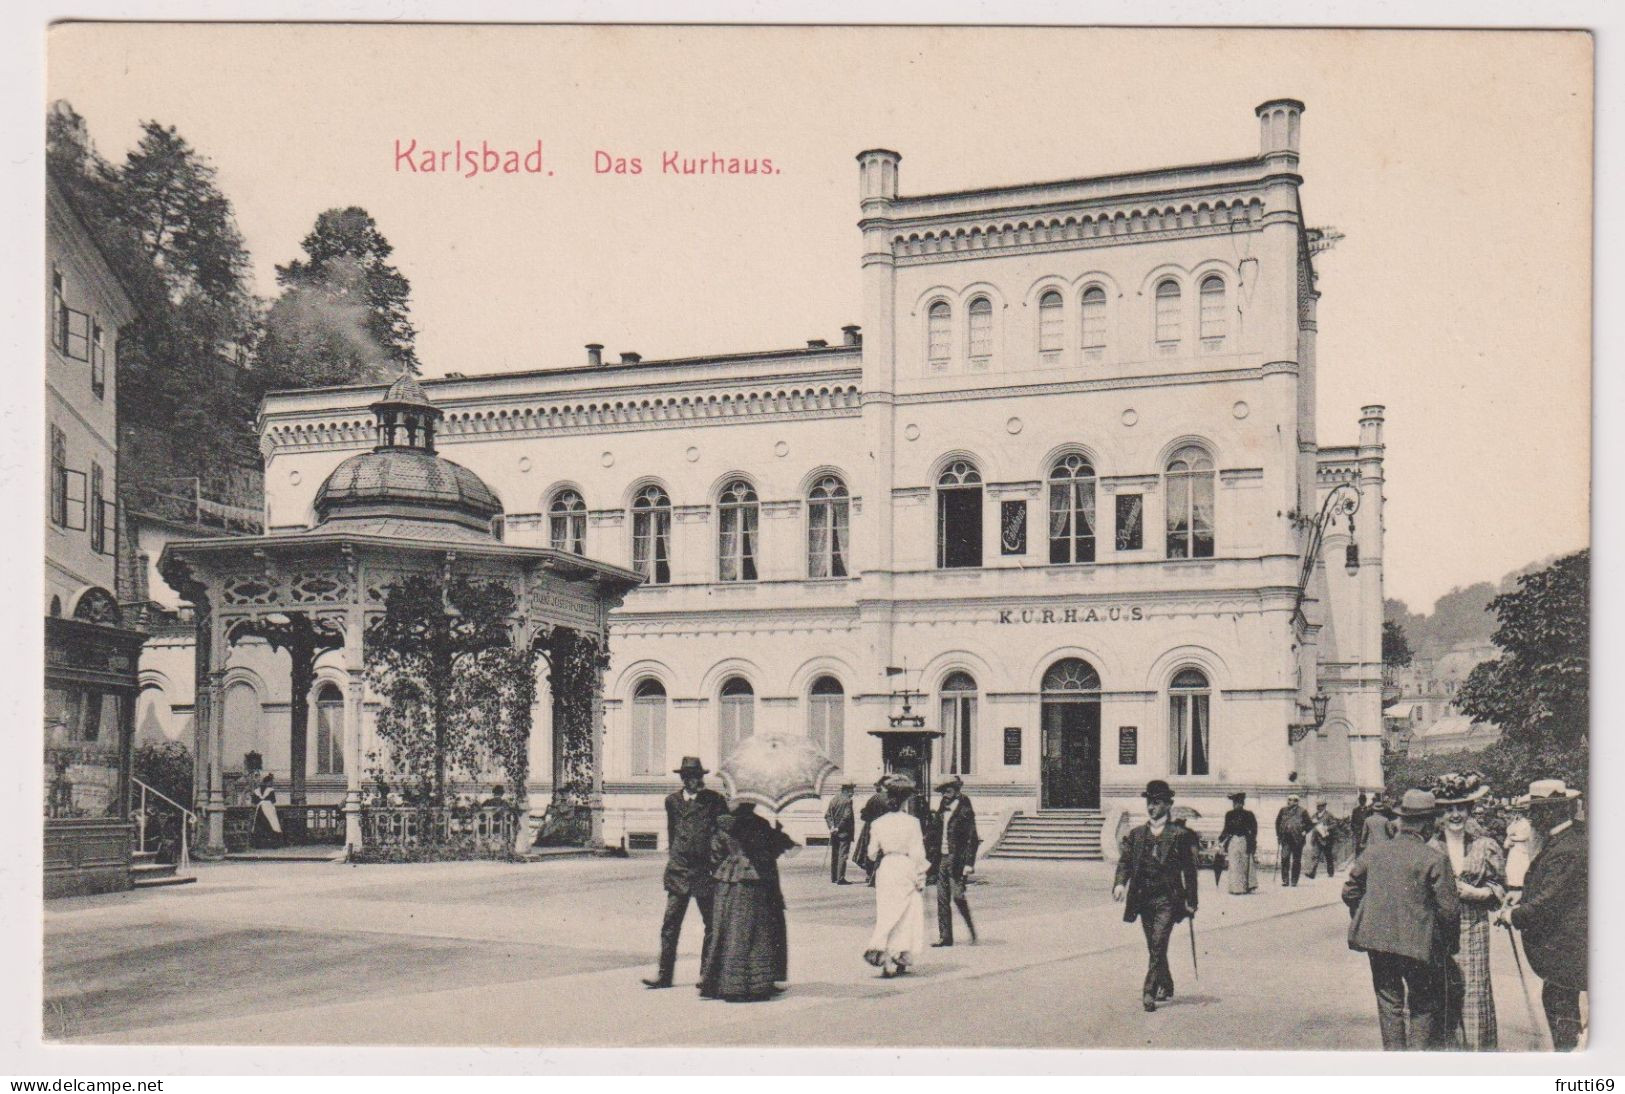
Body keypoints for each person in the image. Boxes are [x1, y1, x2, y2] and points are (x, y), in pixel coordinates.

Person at [1341, 788, 1460, 1051]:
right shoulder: (1435, 859)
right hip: (1418, 944)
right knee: (1422, 1004)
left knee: (1389, 1004)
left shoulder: (1374, 852)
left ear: (1402, 821)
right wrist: (1450, 945)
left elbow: (1350, 891)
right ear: (1428, 825)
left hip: (1377, 941)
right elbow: (1449, 910)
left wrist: (1368, 912)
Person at [1499, 779, 1587, 1051]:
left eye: (1535, 811)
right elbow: (1551, 887)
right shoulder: (1565, 839)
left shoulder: (1566, 849)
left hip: (1567, 947)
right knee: (1559, 1001)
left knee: (1560, 1004)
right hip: (1569, 948)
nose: (1531, 817)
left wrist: (1513, 915)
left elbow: (1549, 900)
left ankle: (1570, 1062)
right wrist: (1522, 895)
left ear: (1551, 812)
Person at [1427, 772, 1504, 1051]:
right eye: (1449, 810)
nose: (1455, 815)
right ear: (1441, 814)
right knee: (1445, 992)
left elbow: (1499, 889)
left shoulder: (1485, 845)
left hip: (1474, 928)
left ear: (1469, 810)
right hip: (1441, 932)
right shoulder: (1431, 848)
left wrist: (1477, 893)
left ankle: (1477, 1053)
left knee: (1474, 990)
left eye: (1460, 808)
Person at [1113, 780, 1200, 1012]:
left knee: (1159, 941)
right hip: (1143, 899)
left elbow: (1190, 872)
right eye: (1149, 802)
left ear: (1168, 805)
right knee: (1154, 945)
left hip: (1167, 900)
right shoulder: (1137, 834)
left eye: (1157, 802)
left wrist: (1192, 901)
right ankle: (1167, 983)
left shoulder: (1179, 835)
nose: (1151, 807)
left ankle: (1149, 991)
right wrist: (1120, 884)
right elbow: (1125, 862)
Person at [643, 756, 728, 990]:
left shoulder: (715, 801)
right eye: (691, 777)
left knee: (711, 924)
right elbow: (672, 832)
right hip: (679, 871)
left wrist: (714, 860)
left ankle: (707, 975)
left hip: (704, 871)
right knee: (670, 924)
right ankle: (664, 975)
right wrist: (675, 856)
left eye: (698, 776)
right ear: (683, 778)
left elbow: (722, 833)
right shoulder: (671, 801)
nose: (695, 781)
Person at [700, 801, 796, 1002]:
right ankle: (757, 984)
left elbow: (714, 854)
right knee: (756, 931)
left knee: (728, 930)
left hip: (728, 882)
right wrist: (777, 832)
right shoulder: (760, 824)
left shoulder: (722, 824)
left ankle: (728, 983)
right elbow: (777, 851)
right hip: (755, 882)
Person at [863, 778, 929, 978]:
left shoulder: (877, 823)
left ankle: (885, 956)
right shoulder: (913, 823)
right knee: (907, 914)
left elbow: (872, 853)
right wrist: (920, 877)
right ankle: (900, 955)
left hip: (887, 868)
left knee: (887, 912)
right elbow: (918, 853)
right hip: (905, 866)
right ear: (905, 801)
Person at [926, 775, 980, 946]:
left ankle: (971, 928)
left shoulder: (965, 808)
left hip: (957, 859)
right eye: (943, 792)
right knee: (942, 898)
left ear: (957, 791)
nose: (945, 795)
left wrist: (969, 864)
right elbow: (934, 832)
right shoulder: (943, 807)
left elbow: (973, 837)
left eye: (948, 791)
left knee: (958, 896)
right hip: (942, 858)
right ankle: (945, 937)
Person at [852, 776, 890, 887]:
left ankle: (870, 875)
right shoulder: (891, 798)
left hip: (872, 828)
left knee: (869, 850)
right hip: (887, 829)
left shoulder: (874, 798)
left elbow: (864, 815)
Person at [1219, 791, 1258, 895]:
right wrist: (1221, 838)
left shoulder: (1249, 814)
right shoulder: (1229, 814)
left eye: (1239, 802)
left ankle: (1245, 887)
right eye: (1235, 803)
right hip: (1233, 841)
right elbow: (1226, 828)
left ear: (1243, 803)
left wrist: (1252, 841)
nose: (1237, 805)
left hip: (1244, 840)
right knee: (1234, 864)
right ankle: (1236, 888)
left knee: (1245, 864)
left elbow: (1254, 829)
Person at [1275, 792, 1310, 886]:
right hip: (1285, 838)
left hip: (1298, 839)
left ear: (1296, 802)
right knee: (1284, 858)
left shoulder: (1303, 811)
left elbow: (1309, 824)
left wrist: (1305, 831)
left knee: (1296, 860)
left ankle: (1294, 880)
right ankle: (1285, 880)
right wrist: (1278, 835)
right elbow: (1277, 822)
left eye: (1291, 800)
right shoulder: (1283, 810)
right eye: (1288, 800)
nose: (1289, 802)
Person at [824, 781, 856, 884]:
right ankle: (840, 878)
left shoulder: (834, 799)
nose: (853, 793)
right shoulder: (848, 801)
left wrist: (832, 827)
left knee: (835, 855)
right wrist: (838, 828)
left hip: (834, 832)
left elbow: (827, 815)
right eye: (852, 790)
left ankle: (834, 877)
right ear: (847, 790)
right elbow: (846, 817)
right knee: (843, 855)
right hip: (844, 833)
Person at [1304, 799, 1338, 879]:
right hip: (1317, 839)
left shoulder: (1329, 815)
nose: (1318, 808)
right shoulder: (1315, 815)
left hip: (1326, 839)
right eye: (1318, 806)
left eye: (1320, 806)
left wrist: (1327, 827)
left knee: (1328, 856)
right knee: (1315, 856)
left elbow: (1334, 824)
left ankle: (1330, 872)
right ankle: (1312, 873)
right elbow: (1310, 824)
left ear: (1324, 806)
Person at [251, 773, 285, 848]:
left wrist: (261, 801)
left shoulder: (256, 790)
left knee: (260, 824)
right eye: (271, 782)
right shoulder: (270, 790)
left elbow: (254, 801)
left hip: (260, 809)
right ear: (268, 782)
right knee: (272, 823)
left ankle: (259, 844)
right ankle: (273, 844)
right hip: (268, 808)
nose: (272, 784)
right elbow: (273, 800)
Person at [1350, 792, 1371, 857]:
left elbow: (1370, 821)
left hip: (1366, 832)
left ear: (1365, 801)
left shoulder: (1369, 810)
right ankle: (1357, 862)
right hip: (1357, 832)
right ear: (1359, 800)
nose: (1362, 801)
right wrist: (1355, 829)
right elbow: (1352, 821)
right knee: (1357, 847)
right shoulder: (1355, 810)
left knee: (1366, 847)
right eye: (1360, 800)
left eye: (1363, 800)